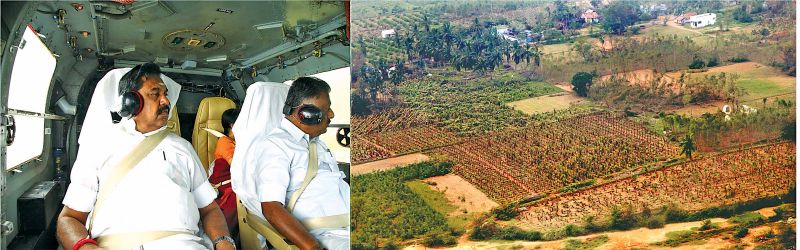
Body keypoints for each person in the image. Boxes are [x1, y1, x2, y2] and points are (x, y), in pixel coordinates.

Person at [56, 63, 234, 250]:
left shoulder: (183, 148)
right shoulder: (99, 146)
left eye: (165, 94)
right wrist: (87, 248)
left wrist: (224, 242)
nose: (166, 101)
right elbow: (68, 219)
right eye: (155, 93)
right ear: (131, 102)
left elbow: (210, 209)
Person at [238, 77, 349, 250]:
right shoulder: (276, 146)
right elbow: (271, 207)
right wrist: (312, 247)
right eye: (326, 110)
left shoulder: (317, 143)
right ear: (306, 115)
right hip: (326, 234)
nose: (332, 115)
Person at [209, 108, 239, 232]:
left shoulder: (237, 141)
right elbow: (236, 164)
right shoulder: (224, 142)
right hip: (226, 186)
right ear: (232, 125)